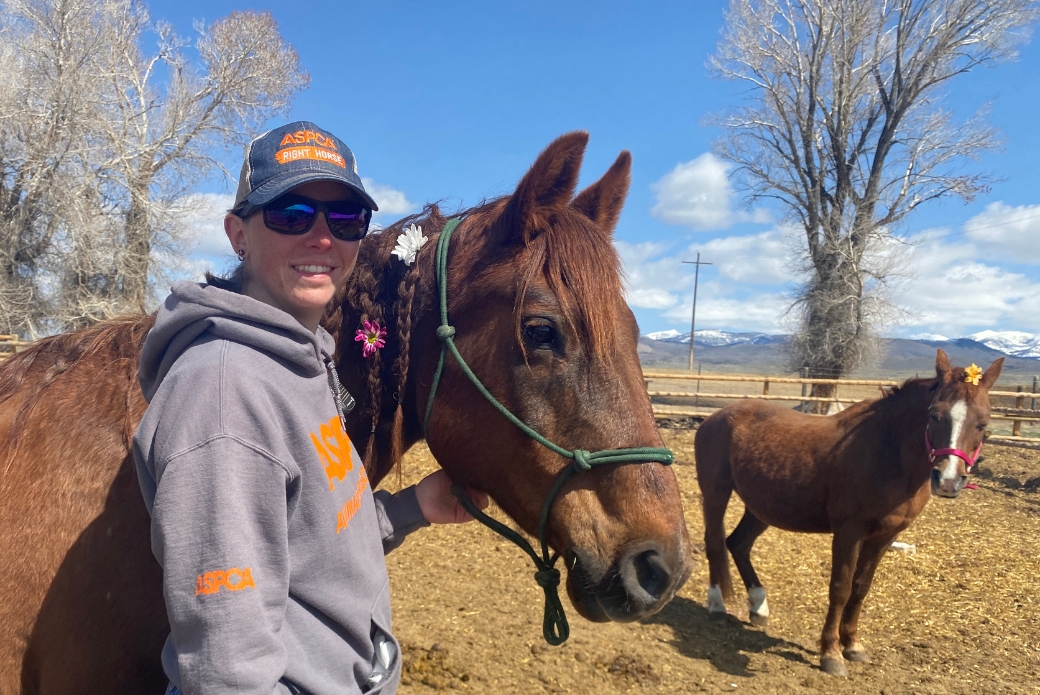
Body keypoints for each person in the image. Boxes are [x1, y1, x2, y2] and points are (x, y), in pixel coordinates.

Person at [133, 121, 486, 695]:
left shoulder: (301, 359)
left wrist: (415, 507)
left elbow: (316, 533)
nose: (323, 238)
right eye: (291, 214)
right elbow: (227, 673)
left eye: (345, 220)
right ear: (237, 233)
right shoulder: (225, 400)